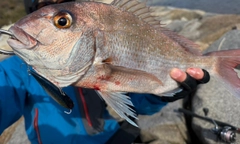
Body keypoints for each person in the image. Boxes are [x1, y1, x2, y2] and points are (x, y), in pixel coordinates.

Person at [0, 0, 209, 144]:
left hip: (113, 138)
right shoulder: (14, 70)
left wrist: (166, 93)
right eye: (45, 8)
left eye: (61, 20)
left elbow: (139, 105)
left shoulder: (99, 58)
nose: (54, 7)